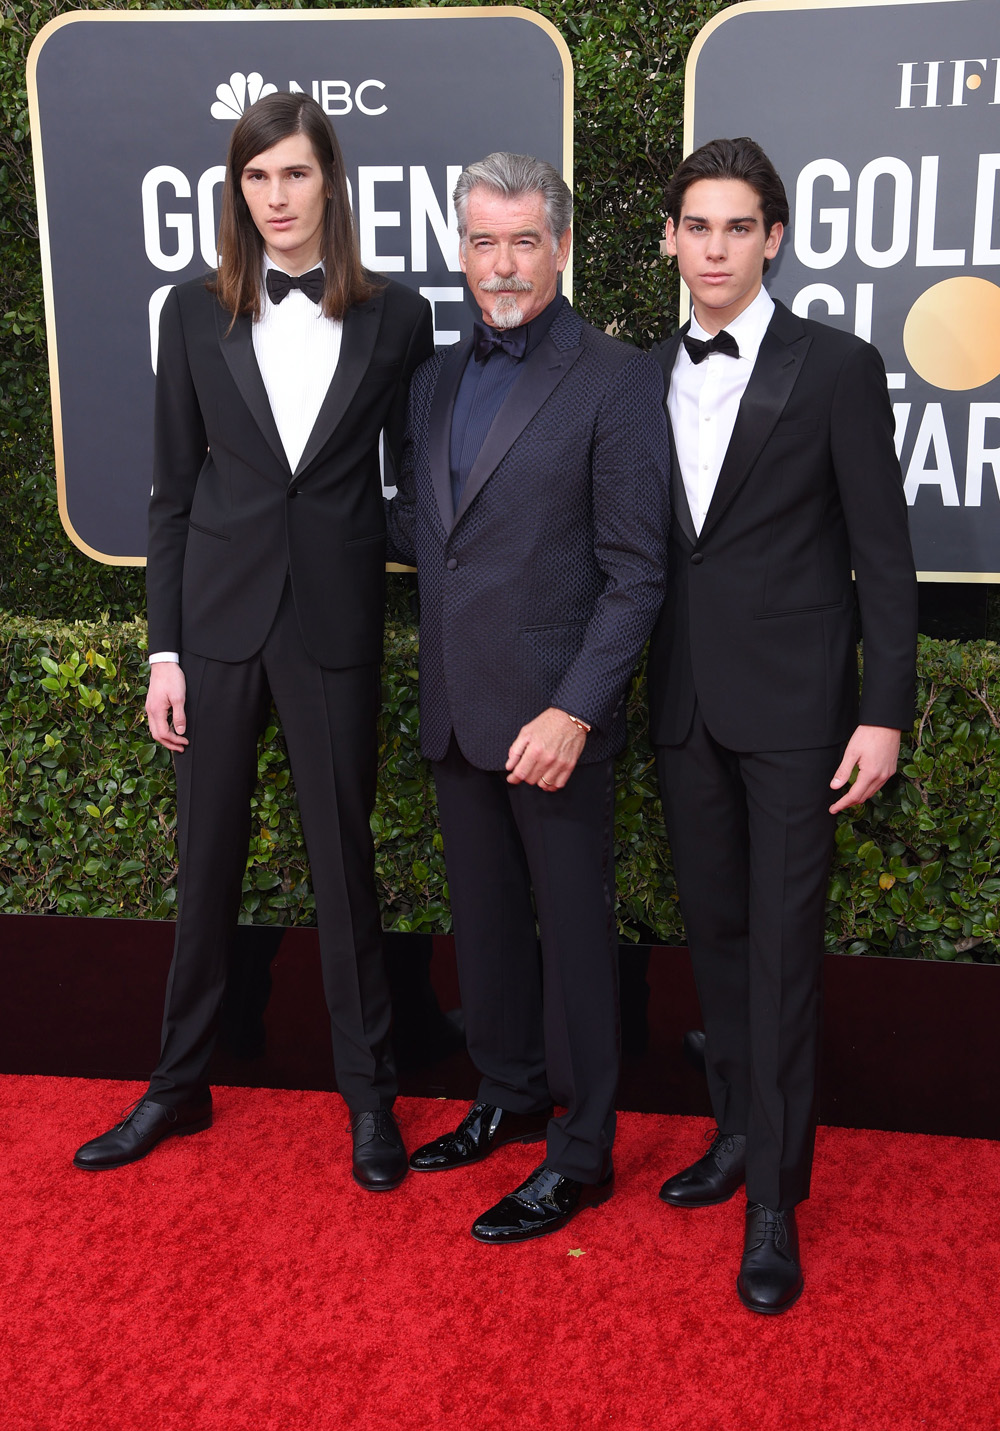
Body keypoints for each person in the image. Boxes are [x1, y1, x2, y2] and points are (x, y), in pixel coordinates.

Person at [73, 92, 434, 1190]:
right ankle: (178, 1087)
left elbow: (421, 481)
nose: (276, 197)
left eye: (295, 174)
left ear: (331, 180)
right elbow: (170, 495)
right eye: (256, 177)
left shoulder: (398, 316)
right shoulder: (191, 313)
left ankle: (368, 1099)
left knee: (344, 868)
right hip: (218, 627)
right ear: (239, 191)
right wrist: (162, 652)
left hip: (332, 623)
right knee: (206, 868)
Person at [648, 137, 917, 1312]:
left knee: (780, 949)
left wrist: (883, 712)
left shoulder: (835, 367)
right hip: (682, 703)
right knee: (714, 937)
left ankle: (775, 1206)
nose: (714, 248)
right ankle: (737, 1137)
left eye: (736, 226)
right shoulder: (638, 373)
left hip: (801, 711)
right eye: (695, 226)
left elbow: (884, 558)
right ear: (669, 238)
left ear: (773, 237)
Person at [387, 152, 669, 1243]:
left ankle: (584, 1152)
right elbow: (425, 529)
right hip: (460, 707)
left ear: (559, 246)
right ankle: (504, 1093)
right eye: (481, 242)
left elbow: (636, 567)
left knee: (574, 938)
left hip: (557, 720)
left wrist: (575, 708)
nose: (501, 265)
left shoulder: (614, 376)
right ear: (461, 249)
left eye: (522, 241)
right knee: (488, 925)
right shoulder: (432, 380)